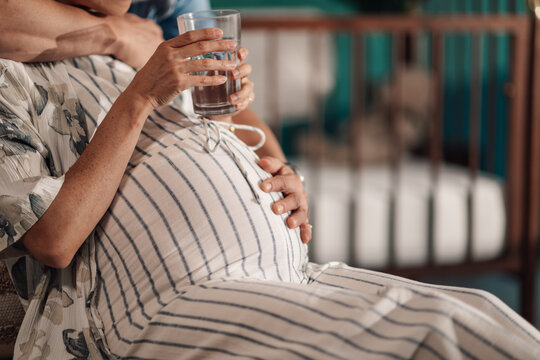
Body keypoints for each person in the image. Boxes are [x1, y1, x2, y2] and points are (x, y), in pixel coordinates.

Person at [0, 1, 539, 359]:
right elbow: (53, 237)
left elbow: (240, 129)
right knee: (431, 338)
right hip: (171, 295)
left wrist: (282, 178)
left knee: (479, 313)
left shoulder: (158, 37)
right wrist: (140, 83)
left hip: (289, 271)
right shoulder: (25, 66)